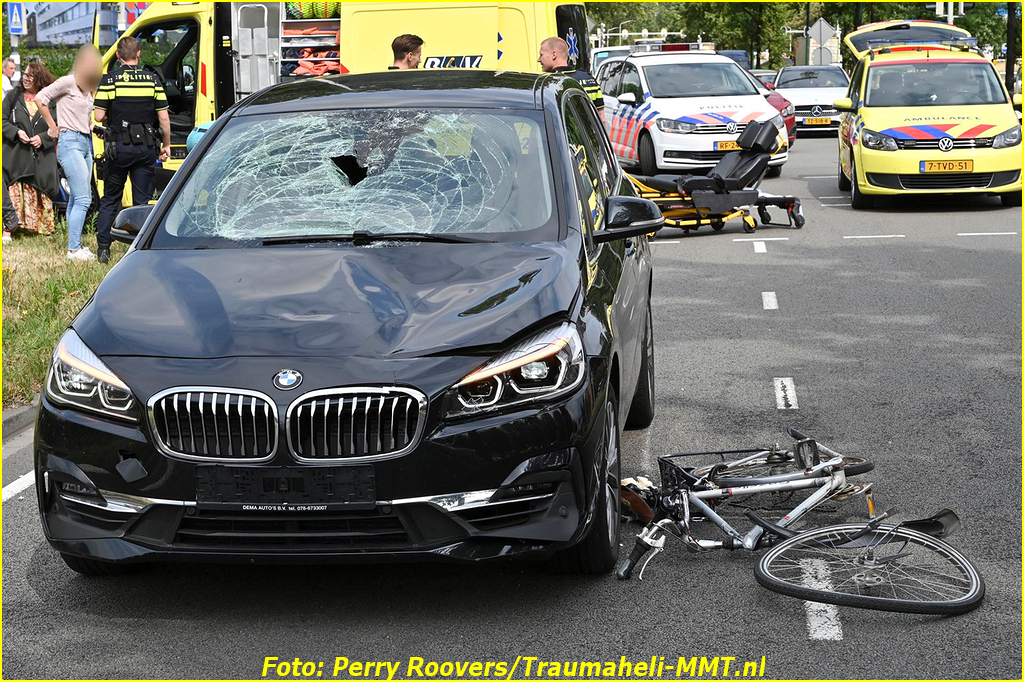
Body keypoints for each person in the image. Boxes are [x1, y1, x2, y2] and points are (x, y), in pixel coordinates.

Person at [93, 36, 171, 264]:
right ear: (139, 55)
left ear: (118, 56)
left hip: (119, 149)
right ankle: (141, 249)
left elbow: (98, 116)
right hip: (146, 147)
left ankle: (104, 249)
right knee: (142, 202)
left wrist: (114, 114)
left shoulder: (110, 80)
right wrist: (165, 145)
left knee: (110, 199)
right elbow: (164, 119)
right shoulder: (152, 80)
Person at [36, 44, 102, 261]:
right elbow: (41, 98)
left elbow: (83, 116)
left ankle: (75, 246)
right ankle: (73, 250)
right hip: (69, 142)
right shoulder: (68, 81)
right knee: (84, 198)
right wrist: (52, 126)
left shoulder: (87, 87)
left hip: (85, 142)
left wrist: (93, 127)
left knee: (78, 196)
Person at [2, 61, 59, 242]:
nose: (26, 79)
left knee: (40, 185)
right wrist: (16, 132)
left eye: (30, 76)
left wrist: (43, 138)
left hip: (41, 155)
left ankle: (39, 228)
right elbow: (2, 120)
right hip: (16, 153)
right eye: (24, 75)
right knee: (13, 186)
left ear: (39, 78)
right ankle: (9, 229)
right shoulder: (13, 96)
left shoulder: (50, 100)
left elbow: (59, 126)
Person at [537, 37, 603, 109]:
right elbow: (601, 117)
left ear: (554, 55)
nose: (538, 60)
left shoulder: (548, 83)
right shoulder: (589, 79)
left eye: (541, 55)